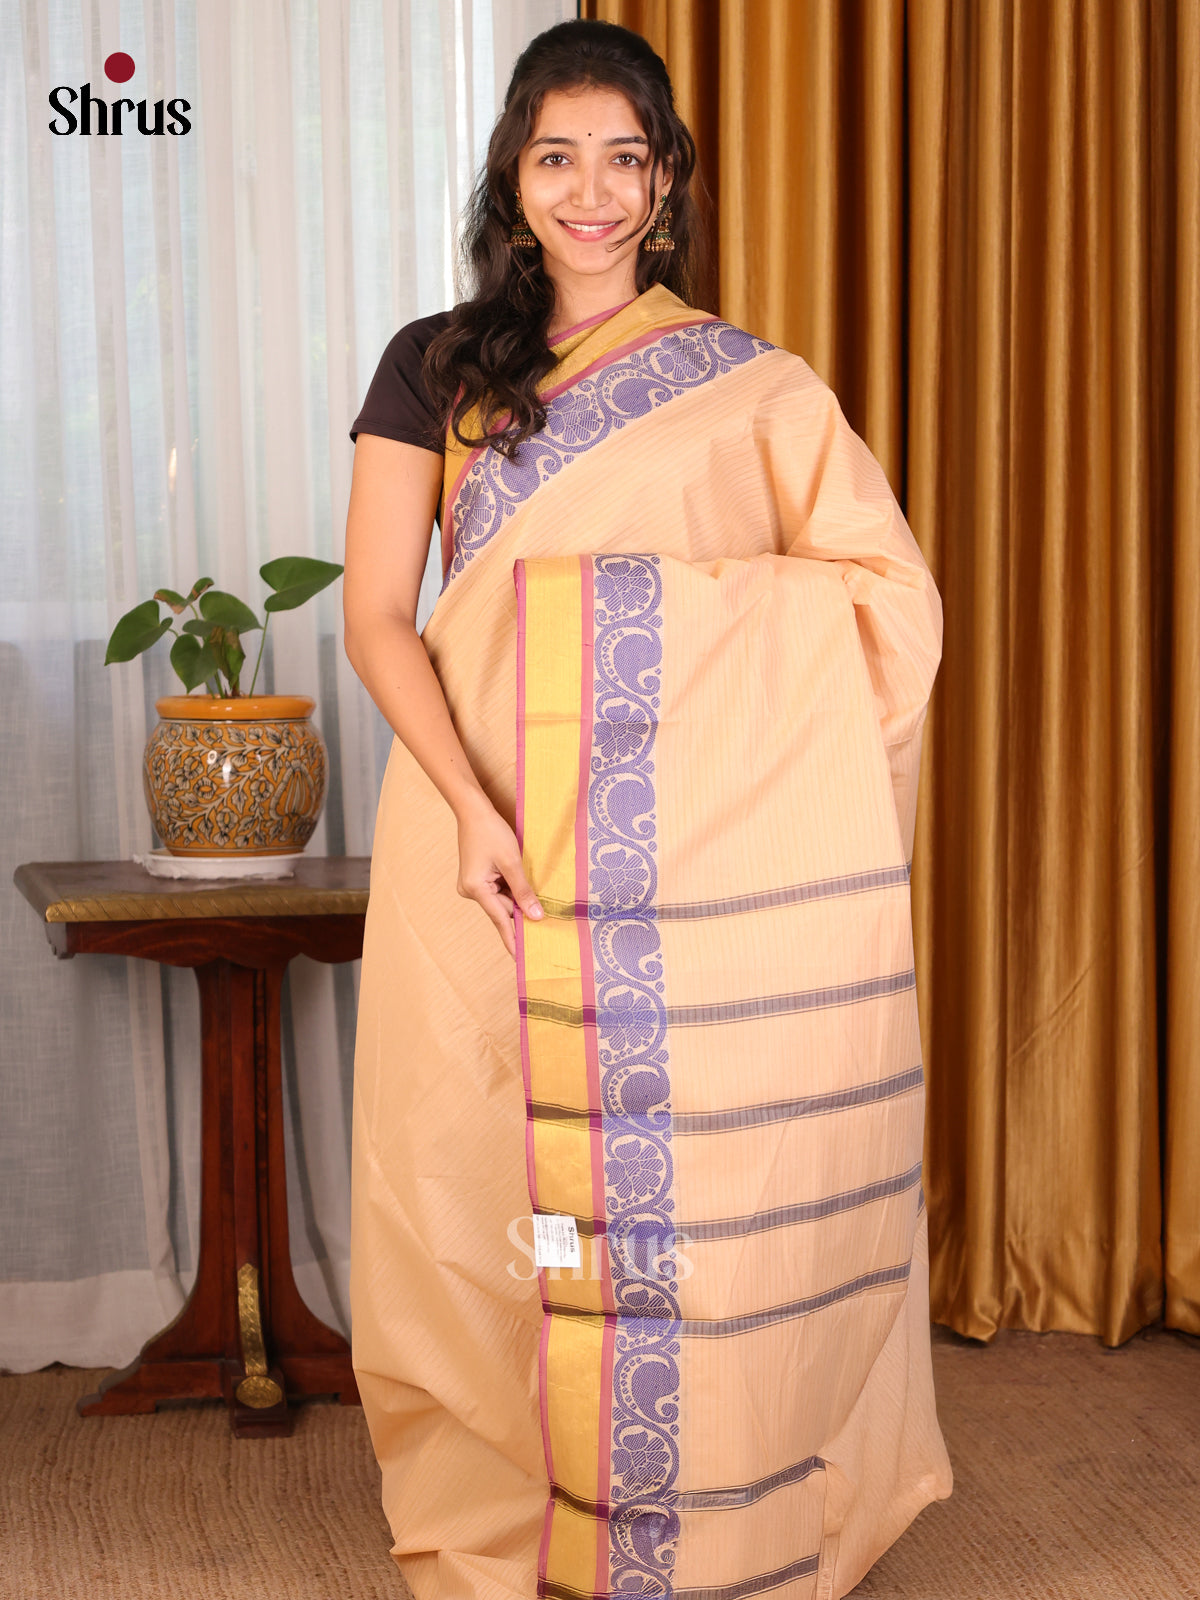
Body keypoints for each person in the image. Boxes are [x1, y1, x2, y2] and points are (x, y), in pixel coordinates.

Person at [343, 18, 952, 1600]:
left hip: (692, 874)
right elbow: (379, 619)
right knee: (481, 1167)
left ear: (668, 181)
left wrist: (649, 638)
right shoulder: (434, 367)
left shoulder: (754, 389)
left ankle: (714, 1514)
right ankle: (522, 1512)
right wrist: (473, 807)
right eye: (558, 158)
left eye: (625, 158)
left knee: (701, 1192)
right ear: (513, 179)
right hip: (476, 836)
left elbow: (886, 604)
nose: (591, 192)